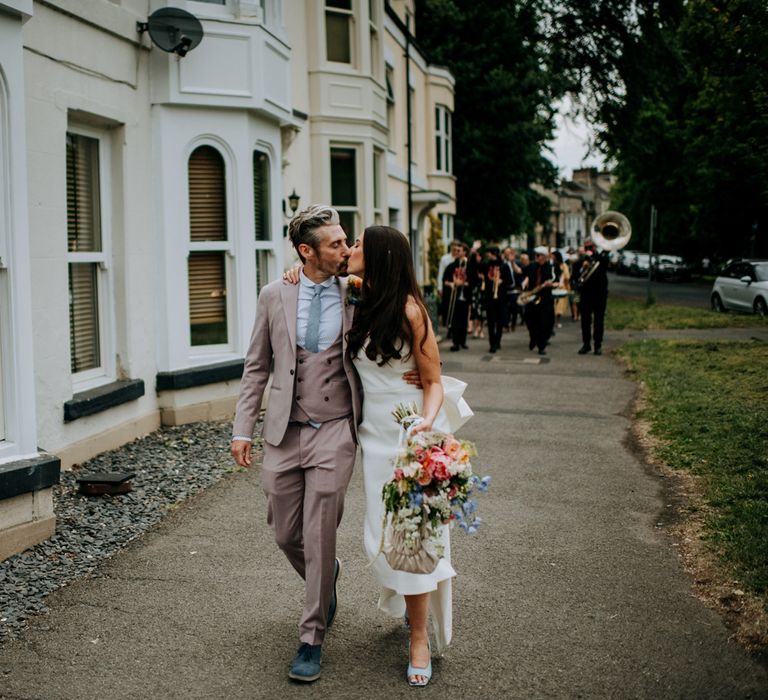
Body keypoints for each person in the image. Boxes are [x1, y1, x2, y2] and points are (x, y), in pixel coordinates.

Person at [231, 206, 420, 683]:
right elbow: (257, 366)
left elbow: (403, 304)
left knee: (318, 532)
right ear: (305, 251)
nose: (346, 248)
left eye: (346, 241)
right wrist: (242, 428)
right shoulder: (275, 293)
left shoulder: (358, 292)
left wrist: (415, 375)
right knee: (284, 533)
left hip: (336, 429)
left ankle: (311, 637)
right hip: (284, 430)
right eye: (336, 243)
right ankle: (326, 574)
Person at [346, 225, 465, 687]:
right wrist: (296, 273)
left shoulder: (413, 311)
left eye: (358, 244)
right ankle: (406, 605)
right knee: (377, 536)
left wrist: (424, 424)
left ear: (379, 257)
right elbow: (315, 275)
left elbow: (433, 381)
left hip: (406, 438)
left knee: (412, 539)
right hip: (369, 440)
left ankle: (418, 637)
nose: (351, 250)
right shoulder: (357, 298)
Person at [577, 238, 610, 355]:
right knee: (585, 320)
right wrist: (583, 267)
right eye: (586, 248)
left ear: (595, 247)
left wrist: (593, 257)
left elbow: (606, 264)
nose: (588, 250)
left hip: (600, 293)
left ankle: (598, 345)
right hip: (586, 294)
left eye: (591, 247)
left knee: (599, 320)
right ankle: (586, 344)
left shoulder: (602, 258)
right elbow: (575, 278)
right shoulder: (580, 260)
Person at [522, 246, 555, 355]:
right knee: (529, 320)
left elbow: (556, 281)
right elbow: (524, 274)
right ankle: (533, 338)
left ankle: (542, 346)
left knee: (543, 323)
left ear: (545, 257)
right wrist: (525, 281)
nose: (536, 257)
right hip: (532, 297)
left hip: (545, 298)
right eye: (536, 255)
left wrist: (550, 284)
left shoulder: (550, 267)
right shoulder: (532, 266)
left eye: (539, 255)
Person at [442, 241, 472, 352]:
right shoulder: (451, 266)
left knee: (464, 320)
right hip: (454, 296)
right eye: (456, 250)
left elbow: (472, 280)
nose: (456, 252)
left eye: (459, 251)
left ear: (464, 252)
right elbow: (445, 281)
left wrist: (463, 283)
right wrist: (452, 284)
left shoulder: (468, 266)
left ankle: (462, 341)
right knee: (455, 320)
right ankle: (455, 342)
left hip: (464, 296)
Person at [482, 247, 512, 353]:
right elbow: (475, 269)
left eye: (489, 253)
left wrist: (501, 281)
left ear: (493, 253)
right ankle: (492, 343)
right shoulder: (486, 265)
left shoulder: (504, 266)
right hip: (490, 297)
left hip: (501, 297)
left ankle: (498, 340)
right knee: (490, 321)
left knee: (499, 321)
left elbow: (510, 281)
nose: (487, 255)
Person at [552, 250, 571, 328]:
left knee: (560, 306)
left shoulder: (564, 265)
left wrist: (562, 280)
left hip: (561, 287)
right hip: (553, 286)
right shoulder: (552, 265)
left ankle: (558, 321)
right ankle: (553, 320)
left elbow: (567, 276)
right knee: (553, 305)